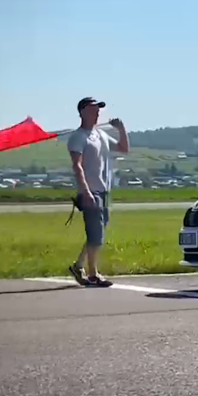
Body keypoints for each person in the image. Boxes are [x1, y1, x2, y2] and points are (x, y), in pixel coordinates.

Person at [67, 97, 129, 287]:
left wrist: (121, 129)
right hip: (90, 191)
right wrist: (85, 191)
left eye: (98, 110)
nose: (97, 112)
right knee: (96, 235)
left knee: (98, 233)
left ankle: (78, 266)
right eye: (93, 109)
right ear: (82, 111)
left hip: (103, 190)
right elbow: (77, 166)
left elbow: (123, 149)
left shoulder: (100, 135)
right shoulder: (78, 137)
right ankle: (93, 274)